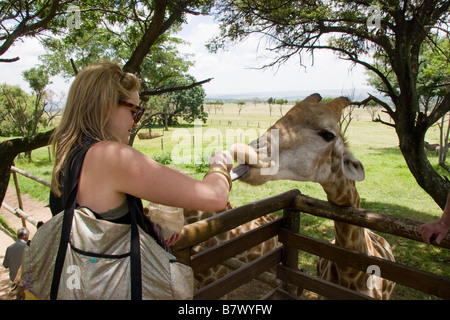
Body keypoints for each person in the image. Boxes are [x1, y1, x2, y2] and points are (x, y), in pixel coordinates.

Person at [49, 62, 233, 249]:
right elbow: (215, 197)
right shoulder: (109, 156)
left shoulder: (68, 155)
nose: (135, 122)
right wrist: (218, 165)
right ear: (107, 105)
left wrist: (147, 228)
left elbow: (99, 232)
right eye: (134, 111)